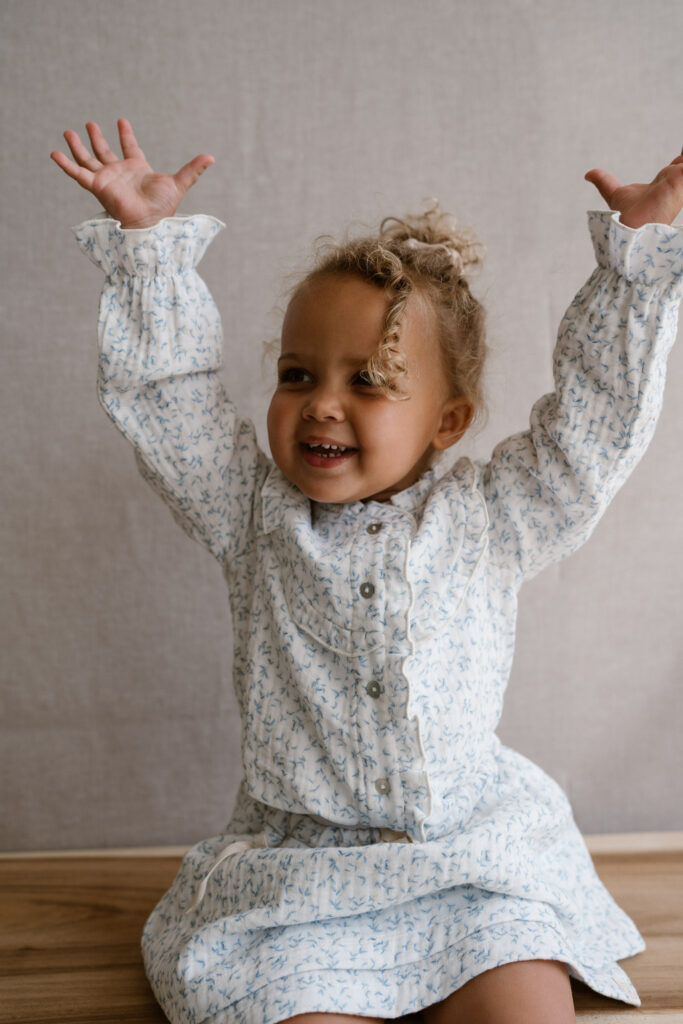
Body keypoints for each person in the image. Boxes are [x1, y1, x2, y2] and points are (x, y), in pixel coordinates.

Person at [51, 120, 683, 1024]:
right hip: (306, 879)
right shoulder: (251, 514)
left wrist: (634, 262)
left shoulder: (491, 518)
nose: (322, 406)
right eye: (297, 373)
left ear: (448, 419)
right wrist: (148, 250)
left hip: (465, 862)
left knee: (528, 1009)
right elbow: (171, 404)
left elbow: (592, 428)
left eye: (368, 383)